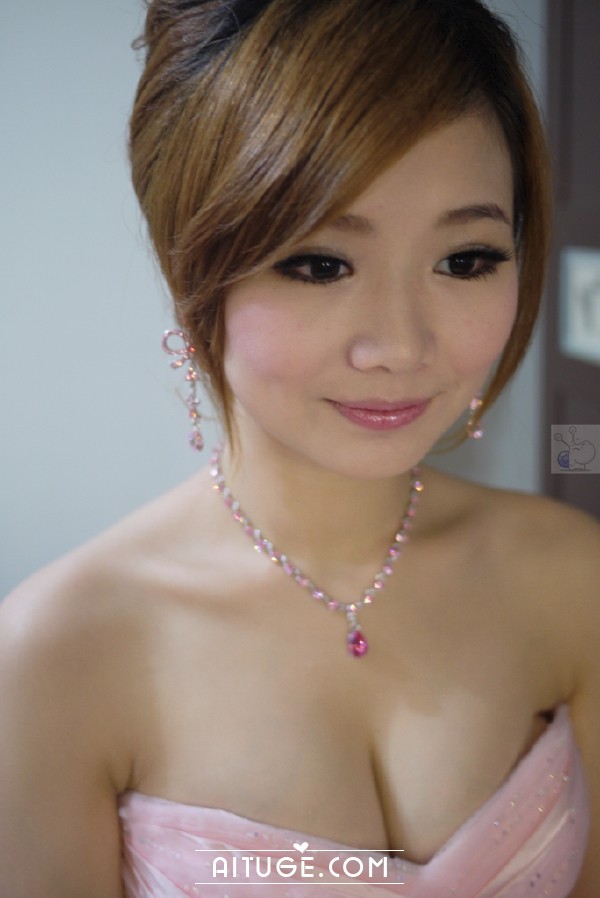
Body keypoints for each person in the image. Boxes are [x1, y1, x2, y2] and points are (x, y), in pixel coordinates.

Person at [1, 0, 598, 896]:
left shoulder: (573, 577)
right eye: (320, 264)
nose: (399, 345)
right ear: (191, 270)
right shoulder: (58, 657)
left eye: (465, 259)